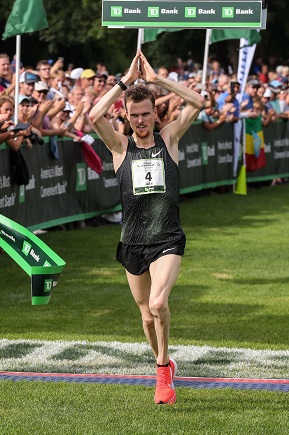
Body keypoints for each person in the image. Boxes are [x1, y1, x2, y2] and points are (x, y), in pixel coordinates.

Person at [89, 50, 204, 405]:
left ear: (155, 113)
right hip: (132, 242)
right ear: (125, 114)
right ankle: (166, 362)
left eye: (146, 114)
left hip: (167, 239)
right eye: (134, 115)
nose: (140, 121)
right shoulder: (120, 147)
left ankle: (160, 371)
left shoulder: (169, 139)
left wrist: (157, 81)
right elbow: (93, 116)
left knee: (157, 303)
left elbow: (198, 102)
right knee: (145, 316)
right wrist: (124, 81)